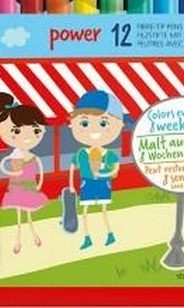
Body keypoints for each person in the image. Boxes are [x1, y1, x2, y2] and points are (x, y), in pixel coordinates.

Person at [0, 92, 48, 254]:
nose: (27, 137)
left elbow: (40, 171)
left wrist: (38, 185)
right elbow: (6, 168)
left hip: (30, 188)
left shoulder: (32, 157)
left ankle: (34, 235)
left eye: (35, 131)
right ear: (0, 131)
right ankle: (18, 240)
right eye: (17, 131)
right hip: (17, 188)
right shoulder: (14, 156)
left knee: (29, 214)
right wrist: (13, 171)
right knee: (19, 215)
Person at [68, 90, 132, 250]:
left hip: (103, 184)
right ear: (72, 124)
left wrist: (103, 173)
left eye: (103, 124)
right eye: (84, 124)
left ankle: (110, 234)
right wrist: (71, 185)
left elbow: (115, 170)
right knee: (85, 212)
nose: (94, 130)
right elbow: (72, 166)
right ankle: (87, 237)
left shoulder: (108, 154)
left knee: (103, 211)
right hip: (87, 184)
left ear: (120, 126)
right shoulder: (82, 153)